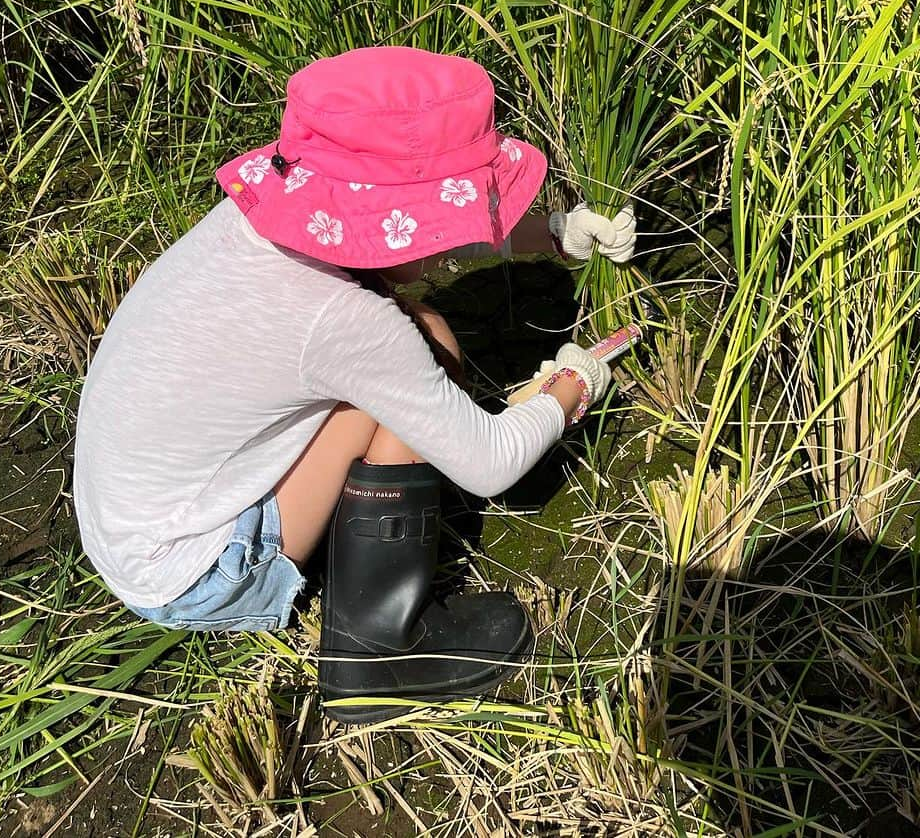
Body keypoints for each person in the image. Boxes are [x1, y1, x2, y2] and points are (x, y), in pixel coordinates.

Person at [73, 46, 636, 722]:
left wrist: (550, 235)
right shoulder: (344, 321)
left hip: (127, 527)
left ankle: (362, 533)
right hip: (193, 574)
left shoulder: (261, 221)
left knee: (420, 337)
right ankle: (378, 652)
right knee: (406, 382)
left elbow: (407, 239)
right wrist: (569, 388)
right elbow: (491, 465)